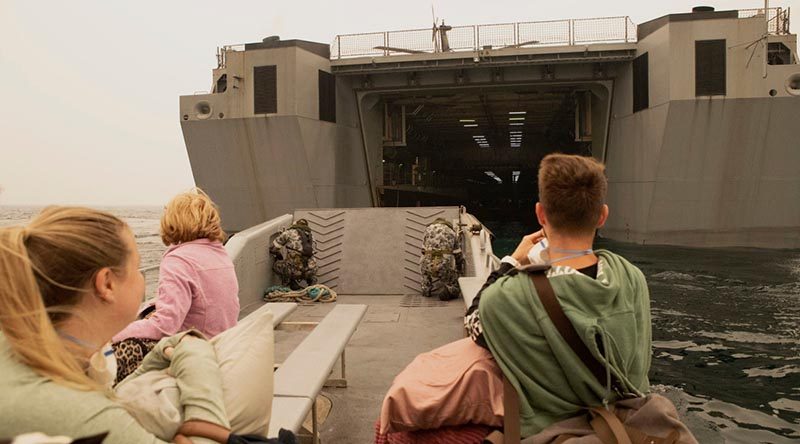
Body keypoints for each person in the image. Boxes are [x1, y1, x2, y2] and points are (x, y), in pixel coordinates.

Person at [0, 207, 232, 443]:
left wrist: (167, 348)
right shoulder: (85, 416)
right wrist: (196, 354)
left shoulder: (20, 344)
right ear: (107, 284)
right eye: (137, 266)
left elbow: (112, 395)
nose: (142, 278)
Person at [464, 153, 652, 438]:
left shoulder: (508, 297)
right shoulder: (632, 278)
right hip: (623, 433)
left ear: (540, 214)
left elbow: (473, 320)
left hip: (551, 436)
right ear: (602, 215)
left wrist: (511, 262)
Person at [112, 188, 239, 382]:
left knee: (117, 351)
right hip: (222, 341)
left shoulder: (179, 260)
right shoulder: (219, 253)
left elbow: (165, 326)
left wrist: (113, 334)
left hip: (195, 351)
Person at [419, 218, 464, 300]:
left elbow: (423, 250)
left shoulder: (428, 230)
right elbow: (458, 253)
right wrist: (459, 269)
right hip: (444, 264)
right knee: (452, 280)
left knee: (424, 266)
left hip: (428, 264)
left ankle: (426, 290)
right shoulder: (451, 232)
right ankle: (448, 289)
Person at [269, 219, 317, 290]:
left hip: (295, 271)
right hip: (311, 271)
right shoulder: (312, 237)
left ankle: (291, 282)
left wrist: (279, 255)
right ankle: (311, 280)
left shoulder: (289, 233)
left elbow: (273, 248)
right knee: (307, 262)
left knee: (277, 266)